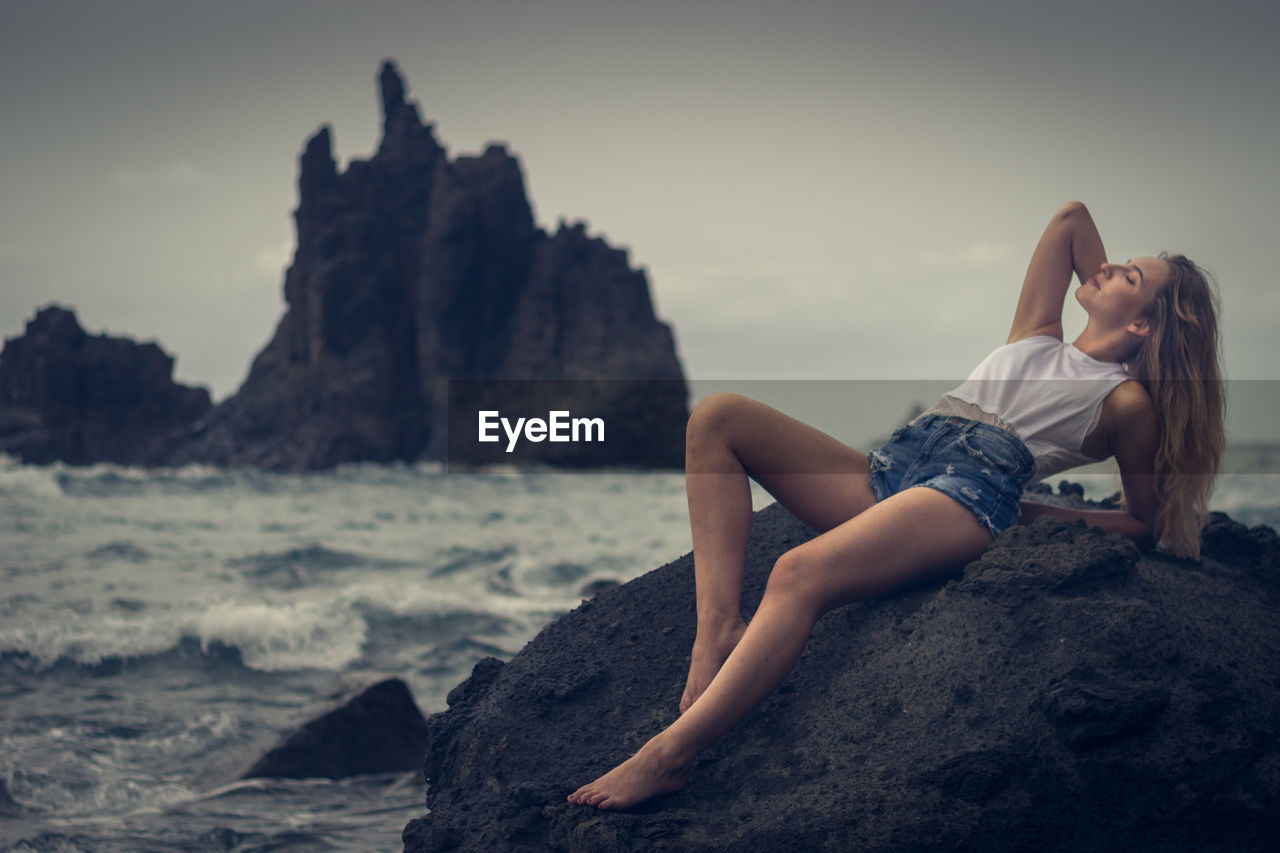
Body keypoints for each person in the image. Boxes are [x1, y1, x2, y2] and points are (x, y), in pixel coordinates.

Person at [567, 201, 1225, 810]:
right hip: (895, 467)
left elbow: (1143, 521)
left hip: (967, 495)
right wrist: (1116, 283)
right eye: (1112, 263)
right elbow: (1070, 219)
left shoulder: (1123, 402)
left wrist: (1031, 518)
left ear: (1141, 323)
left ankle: (670, 753)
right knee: (716, 417)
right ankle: (718, 630)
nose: (1105, 265)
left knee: (798, 573)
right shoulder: (1039, 332)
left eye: (1127, 275)